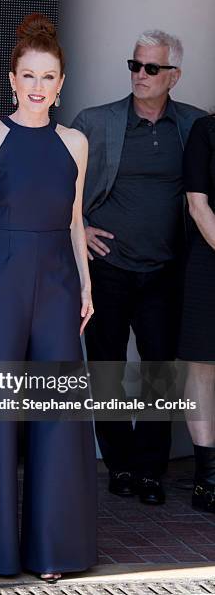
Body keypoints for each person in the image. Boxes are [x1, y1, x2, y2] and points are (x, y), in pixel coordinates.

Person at [0, 13, 97, 580]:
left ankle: (54, 552)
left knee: (57, 412)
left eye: (50, 77)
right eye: (29, 76)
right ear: (12, 79)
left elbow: (74, 220)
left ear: (62, 83)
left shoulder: (76, 144)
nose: (39, 87)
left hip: (60, 283)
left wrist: (86, 283)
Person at [71, 30, 206, 505]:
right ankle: (120, 464)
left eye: (151, 68)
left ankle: (150, 469)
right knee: (106, 368)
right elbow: (60, 183)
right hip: (107, 269)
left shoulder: (195, 126)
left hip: (166, 271)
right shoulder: (96, 122)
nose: (140, 76)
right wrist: (80, 228)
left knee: (160, 373)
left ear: (174, 76)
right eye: (135, 65)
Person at [178, 115, 215, 513]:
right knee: (203, 366)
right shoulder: (207, 131)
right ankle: (207, 479)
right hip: (210, 259)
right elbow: (197, 203)